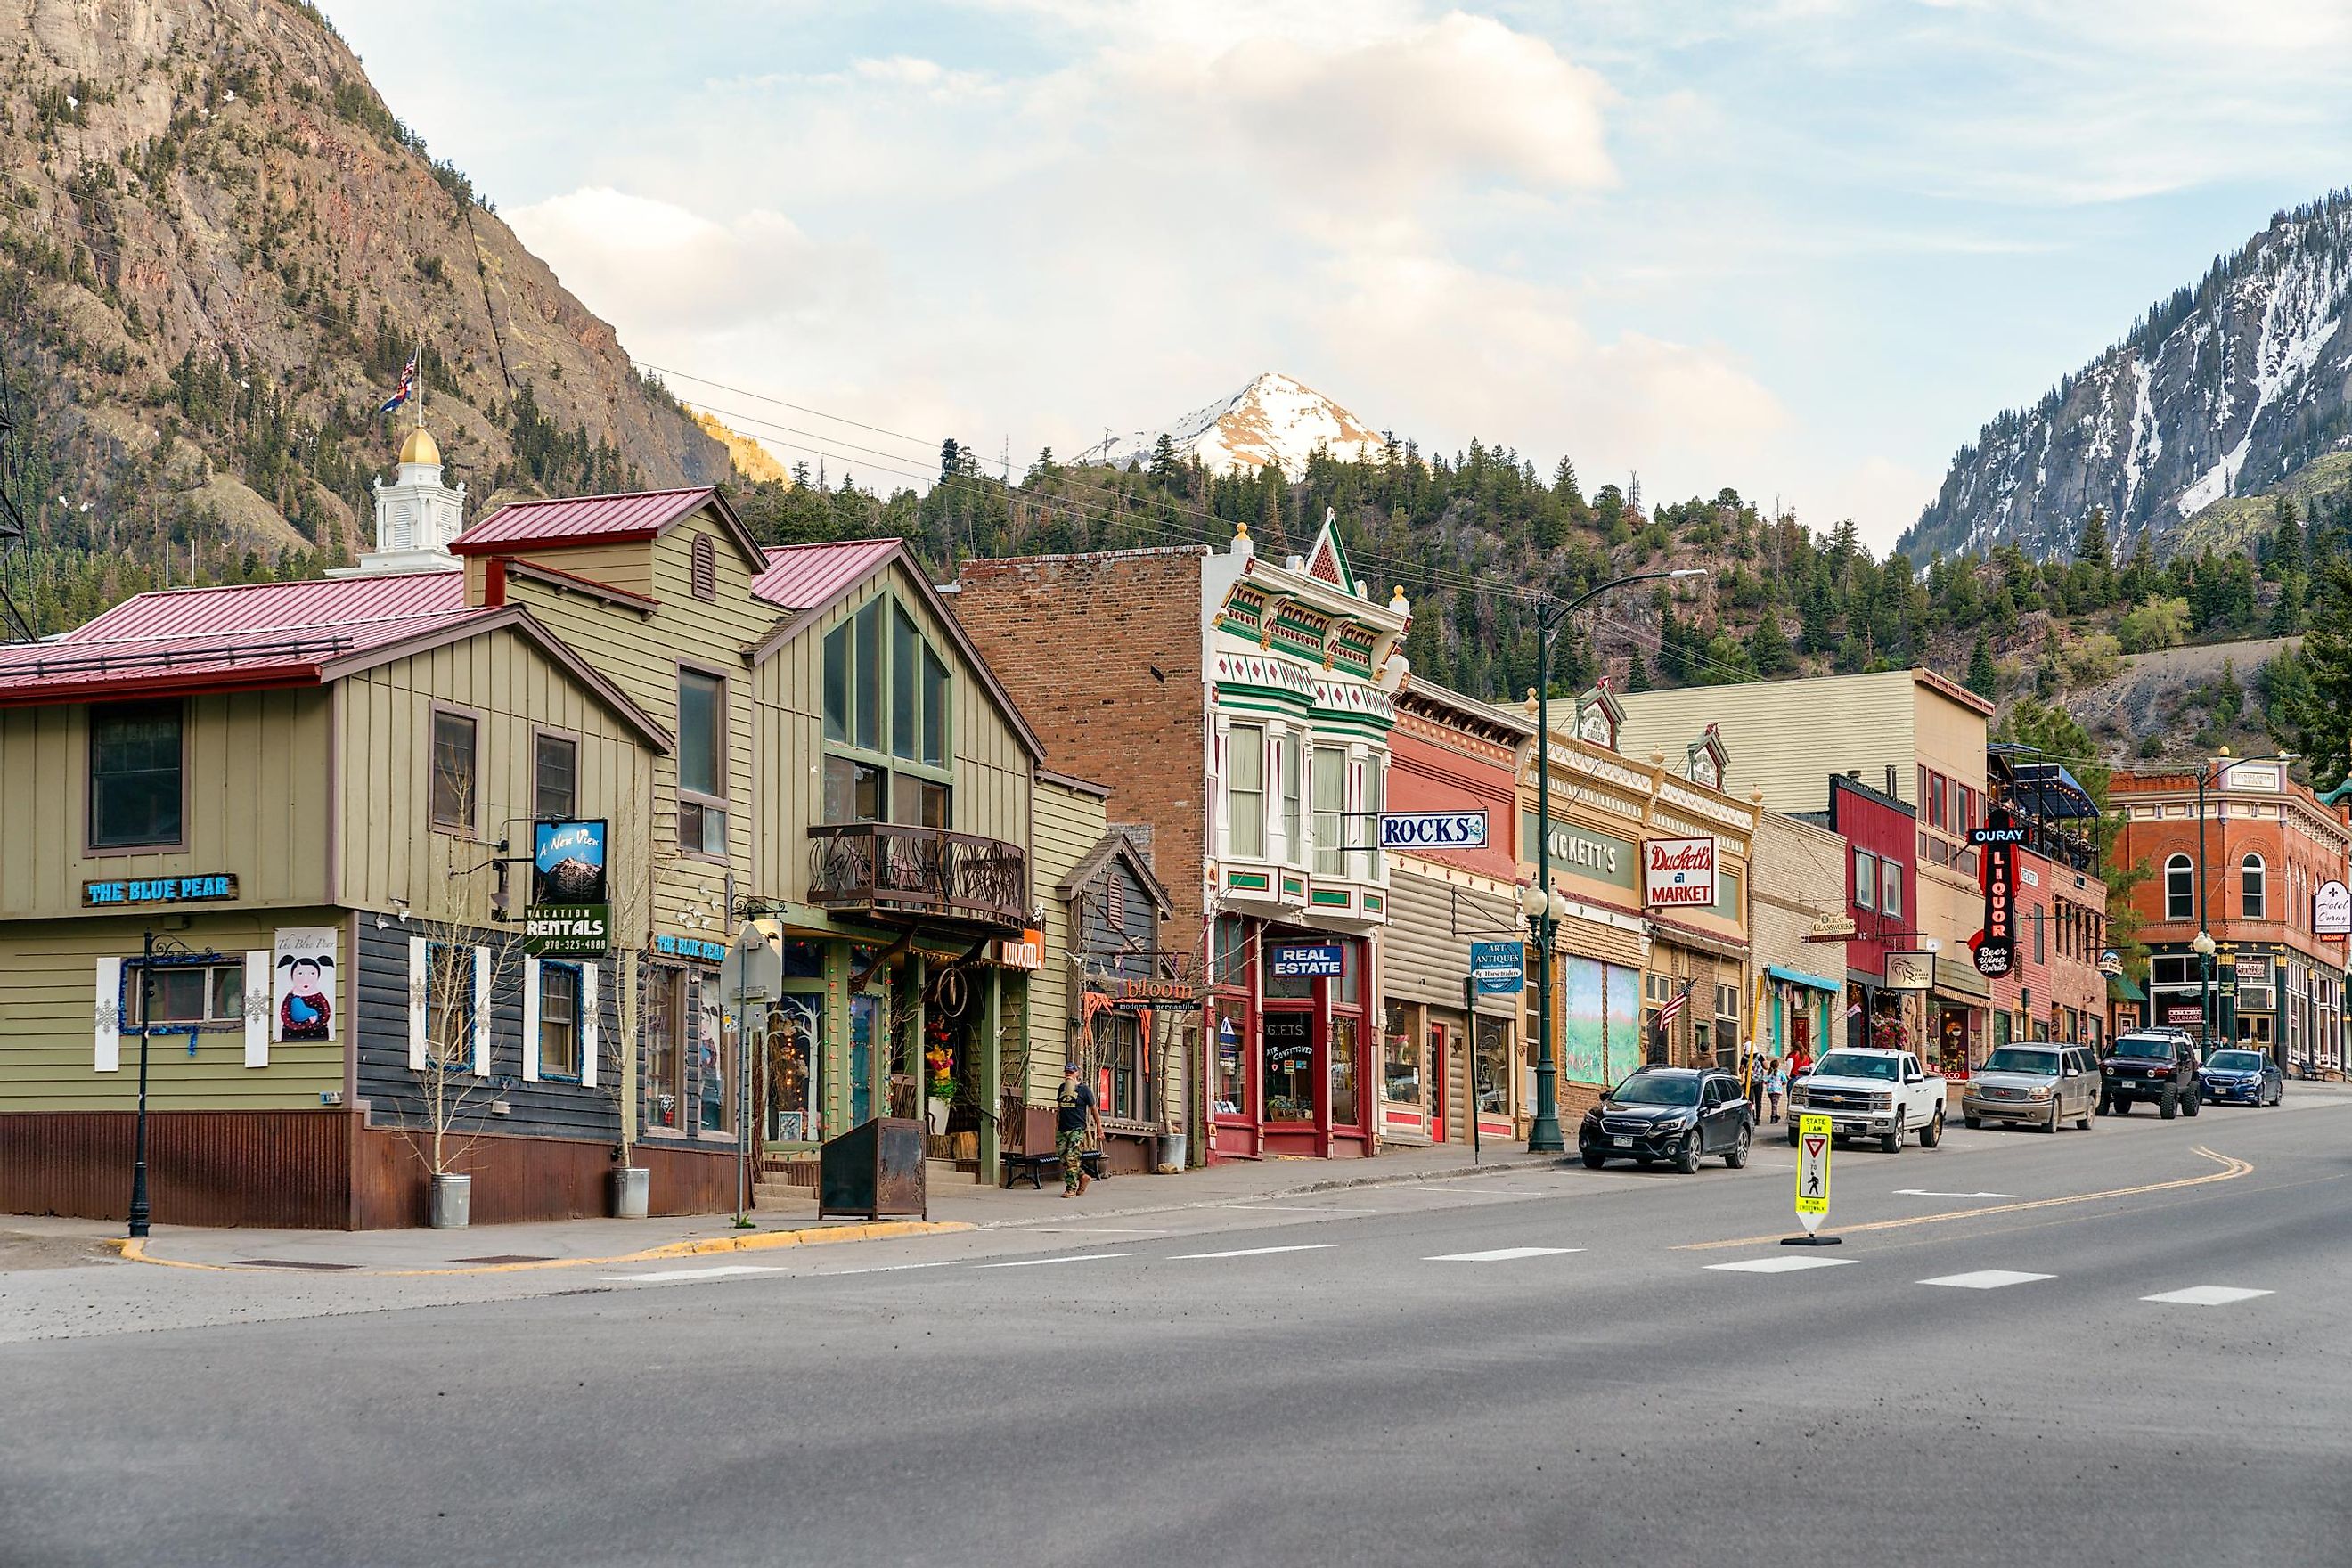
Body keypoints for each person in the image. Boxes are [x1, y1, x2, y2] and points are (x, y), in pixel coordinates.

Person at [1056, 1060, 1100, 1198]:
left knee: (1071, 1157)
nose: (1068, 1075)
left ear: (1077, 1073)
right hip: (1063, 1128)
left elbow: (1094, 1110)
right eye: (1067, 1073)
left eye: (1071, 1072)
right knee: (1063, 1157)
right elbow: (1059, 1108)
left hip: (1077, 1129)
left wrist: (1099, 1128)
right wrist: (1055, 1126)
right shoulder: (1062, 1088)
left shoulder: (1084, 1090)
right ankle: (1082, 1176)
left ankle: (1071, 1188)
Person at [1766, 1057, 1788, 1123]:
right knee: (1774, 1104)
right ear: (1778, 1065)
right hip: (1777, 1090)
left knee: (1773, 1103)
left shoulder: (1769, 1073)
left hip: (1770, 1090)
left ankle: (1776, 1115)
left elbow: (1765, 1080)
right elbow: (1785, 1081)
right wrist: (1781, 1084)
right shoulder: (1780, 1072)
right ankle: (1773, 1116)